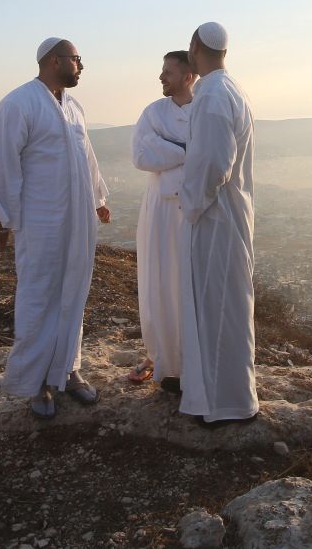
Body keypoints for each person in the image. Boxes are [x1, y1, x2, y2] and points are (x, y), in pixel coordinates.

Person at [0, 38, 110, 419]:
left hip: (78, 218)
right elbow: (2, 161)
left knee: (74, 291)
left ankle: (68, 370)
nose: (81, 66)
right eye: (76, 59)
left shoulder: (74, 107)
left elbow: (87, 157)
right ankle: (36, 382)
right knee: (40, 295)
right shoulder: (18, 103)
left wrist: (98, 200)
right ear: (54, 61)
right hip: (41, 219)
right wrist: (0, 219)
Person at [178, 21, 258, 425]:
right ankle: (226, 397)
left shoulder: (210, 95)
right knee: (228, 305)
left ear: (195, 48)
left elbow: (212, 164)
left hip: (215, 216)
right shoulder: (233, 89)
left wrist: (190, 205)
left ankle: (218, 404)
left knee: (215, 307)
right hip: (230, 213)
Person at [129, 50, 196, 390]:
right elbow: (142, 154)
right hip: (160, 210)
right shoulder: (153, 112)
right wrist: (187, 150)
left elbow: (216, 155)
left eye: (167, 72)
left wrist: (168, 146)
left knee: (188, 285)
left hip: (196, 210)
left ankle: (192, 364)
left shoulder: (205, 110)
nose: (161, 77)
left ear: (187, 76)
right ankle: (163, 359)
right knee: (159, 282)